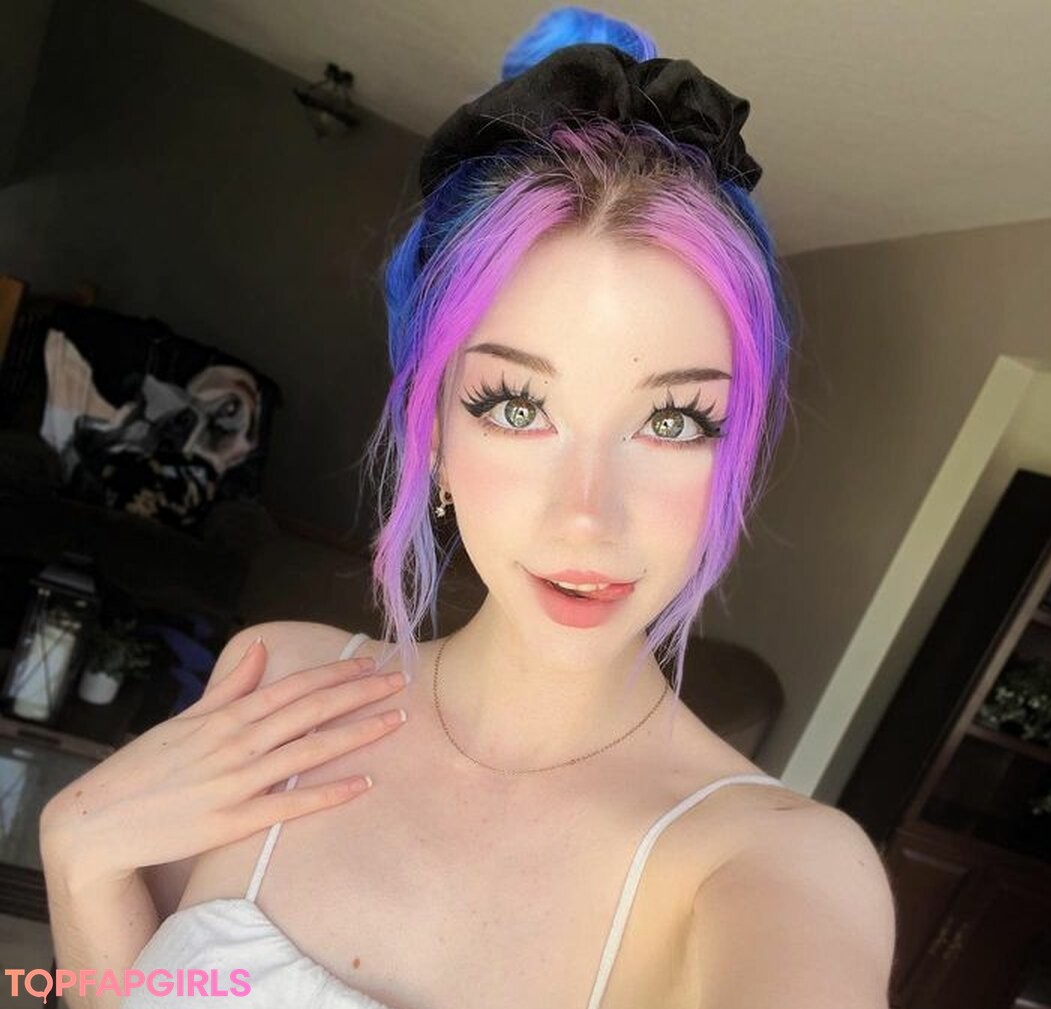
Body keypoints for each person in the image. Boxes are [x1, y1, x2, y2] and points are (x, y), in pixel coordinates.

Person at [39, 8, 897, 1009]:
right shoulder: (276, 683)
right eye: (517, 407)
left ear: (734, 452)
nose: (588, 515)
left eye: (673, 420)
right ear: (435, 431)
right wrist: (79, 861)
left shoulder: (775, 865)